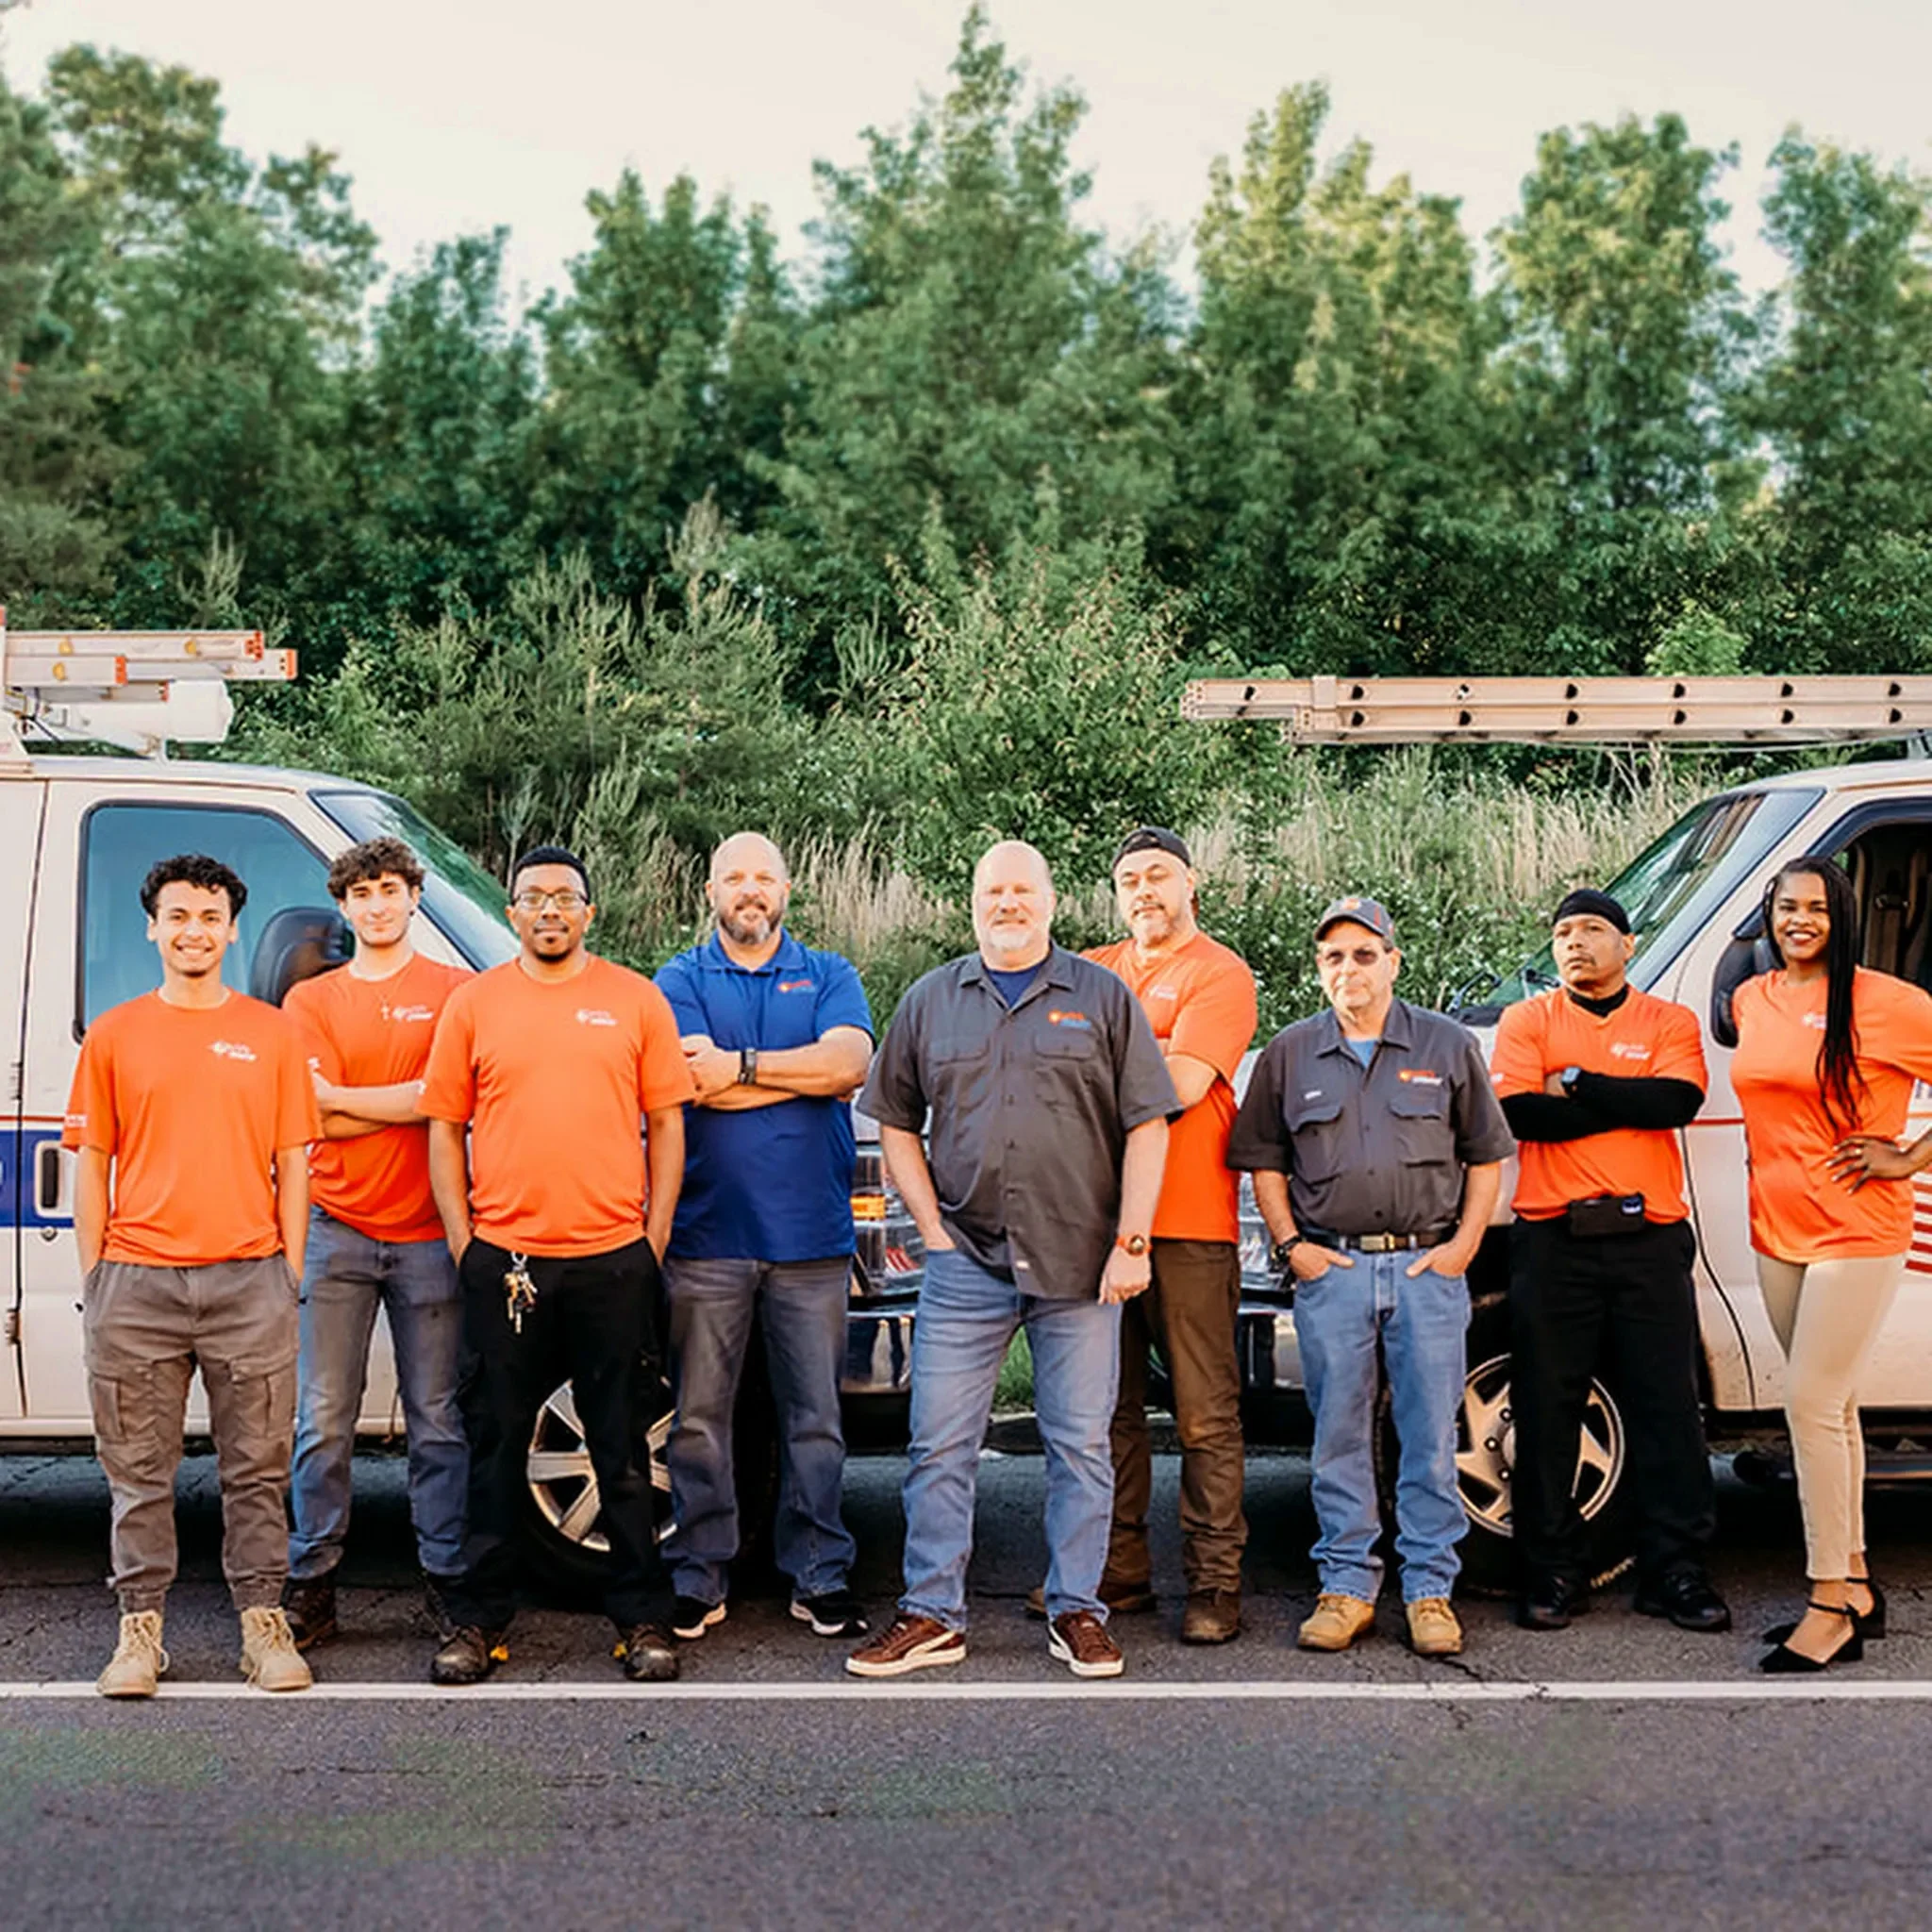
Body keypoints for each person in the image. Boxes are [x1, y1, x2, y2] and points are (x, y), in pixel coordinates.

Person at [845, 841, 1177, 1680]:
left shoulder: (1102, 997)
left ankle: (1078, 1611)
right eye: (993, 891)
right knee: (938, 1447)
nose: (1008, 904)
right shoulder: (931, 1000)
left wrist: (1133, 1241)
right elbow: (893, 1118)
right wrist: (931, 1225)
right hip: (966, 1261)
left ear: (1051, 901)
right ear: (973, 903)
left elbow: (1148, 1124)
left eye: (1023, 890)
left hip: (1081, 1262)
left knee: (1081, 1447)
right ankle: (932, 1614)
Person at [419, 845, 693, 1684]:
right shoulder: (475, 1005)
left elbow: (668, 1123)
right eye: (533, 897)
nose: (549, 910)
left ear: (588, 913)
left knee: (622, 1445)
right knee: (496, 1442)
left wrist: (651, 1240)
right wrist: (466, 1243)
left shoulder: (635, 1000)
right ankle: (479, 1621)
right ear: (511, 913)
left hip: (613, 1259)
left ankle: (642, 1618)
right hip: (508, 1263)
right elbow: (444, 1128)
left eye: (565, 897)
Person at [1227, 895, 1512, 1658]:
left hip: (1426, 1269)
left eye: (1363, 954)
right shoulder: (1290, 1053)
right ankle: (1346, 1587)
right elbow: (1264, 1162)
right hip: (1335, 1271)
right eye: (1333, 957)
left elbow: (1487, 1155)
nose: (1347, 968)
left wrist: (1463, 1247)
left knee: (1429, 1438)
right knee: (1338, 1438)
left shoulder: (1446, 1045)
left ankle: (1429, 1592)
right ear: (1318, 969)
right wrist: (1293, 1247)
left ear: (1393, 961)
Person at [64, 854, 320, 1698]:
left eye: (210, 917)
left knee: (258, 1472)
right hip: (137, 1286)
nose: (194, 932)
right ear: (152, 928)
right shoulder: (115, 1035)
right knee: (138, 1476)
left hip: (250, 1284)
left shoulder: (273, 1034)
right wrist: (99, 1275)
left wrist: (286, 1271)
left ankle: (263, 1627)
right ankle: (139, 1634)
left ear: (233, 930)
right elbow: (92, 1163)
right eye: (177, 916)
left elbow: (294, 1162)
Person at [654, 831, 875, 1643]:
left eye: (764, 878)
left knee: (814, 1419)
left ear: (786, 890)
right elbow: (687, 1080)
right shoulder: (679, 979)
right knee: (698, 1419)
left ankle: (820, 1573)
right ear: (710, 891)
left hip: (810, 1239)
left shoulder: (830, 973)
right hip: (706, 1236)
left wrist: (742, 1069)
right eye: (734, 877)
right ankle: (698, 1573)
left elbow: (847, 1066)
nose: (750, 890)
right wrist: (796, 1075)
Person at [1491, 889, 1729, 1635]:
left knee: (1668, 1408)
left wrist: (1577, 1084)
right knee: (1546, 1407)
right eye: (1563, 931)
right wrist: (1625, 1100)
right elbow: (1521, 1115)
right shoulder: (1527, 1021)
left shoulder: (1668, 1020)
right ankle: (1552, 1572)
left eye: (1592, 929)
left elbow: (1676, 1103)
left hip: (1648, 1238)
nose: (1574, 942)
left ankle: (1675, 1571)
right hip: (1552, 1239)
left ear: (1628, 945)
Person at [1731, 858, 1932, 1671]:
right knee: (1835, 1406)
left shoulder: (1888, 1002)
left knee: (1809, 1403)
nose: (1800, 921)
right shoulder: (1753, 998)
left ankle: (1825, 1604)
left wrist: (1909, 1157)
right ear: (1771, 914)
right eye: (1788, 906)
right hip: (1776, 1228)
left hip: (1857, 1228)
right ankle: (1854, 1584)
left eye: (1817, 907)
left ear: (1841, 914)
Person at [1058, 826, 1257, 1644]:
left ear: (1190, 882)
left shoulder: (1220, 972)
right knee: (1107, 1412)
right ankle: (1118, 1570)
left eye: (1158, 875)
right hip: (1096, 1224)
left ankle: (1214, 1582)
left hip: (1190, 1223)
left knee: (1205, 1414)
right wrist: (1150, 1050)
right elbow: (1051, 1070)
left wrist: (1105, 1065)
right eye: (1130, 879)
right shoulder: (1089, 970)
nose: (1144, 890)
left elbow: (1182, 1084)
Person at [280, 837, 473, 1650]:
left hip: (431, 1230)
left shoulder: (456, 993)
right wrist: (412, 1101)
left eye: (390, 890)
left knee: (438, 1420)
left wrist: (359, 1099)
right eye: (361, 894)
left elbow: (449, 1100)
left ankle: (448, 1582)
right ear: (344, 906)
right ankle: (312, 1583)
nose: (378, 906)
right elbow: (312, 1113)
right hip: (337, 1227)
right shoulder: (311, 1001)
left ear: (414, 897)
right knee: (323, 1418)